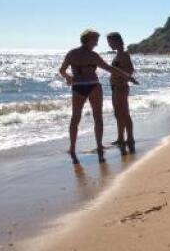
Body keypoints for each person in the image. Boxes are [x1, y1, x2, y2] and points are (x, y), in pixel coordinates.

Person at [59, 29, 138, 165]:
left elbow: (62, 70)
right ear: (88, 40)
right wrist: (128, 77)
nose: (97, 42)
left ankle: (73, 148)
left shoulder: (72, 53)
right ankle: (99, 146)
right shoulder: (93, 55)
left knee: (76, 117)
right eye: (95, 39)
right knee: (96, 117)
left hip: (79, 86)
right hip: (94, 86)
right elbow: (110, 69)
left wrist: (68, 77)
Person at [107, 32, 135, 155]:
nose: (109, 45)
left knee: (125, 113)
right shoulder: (118, 54)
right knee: (118, 114)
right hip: (115, 87)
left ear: (117, 41)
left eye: (110, 42)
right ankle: (120, 138)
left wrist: (122, 80)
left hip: (121, 87)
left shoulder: (124, 54)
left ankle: (130, 138)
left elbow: (130, 69)